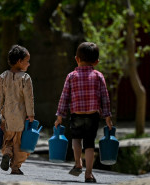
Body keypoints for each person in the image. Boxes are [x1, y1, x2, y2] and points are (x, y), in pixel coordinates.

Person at [54, 42, 113, 183]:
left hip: (76, 114)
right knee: (89, 144)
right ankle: (89, 173)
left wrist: (59, 116)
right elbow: (105, 98)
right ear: (96, 62)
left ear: (77, 59)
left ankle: (78, 163)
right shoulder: (98, 76)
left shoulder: (71, 76)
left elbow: (64, 97)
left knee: (76, 139)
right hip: (93, 115)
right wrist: (107, 116)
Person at [0, 45, 35, 175]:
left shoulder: (3, 76)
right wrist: (31, 115)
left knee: (8, 139)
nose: (28, 64)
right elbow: (29, 98)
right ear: (19, 62)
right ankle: (15, 167)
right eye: (27, 61)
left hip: (7, 116)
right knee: (20, 143)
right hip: (21, 117)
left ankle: (7, 153)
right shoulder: (26, 78)